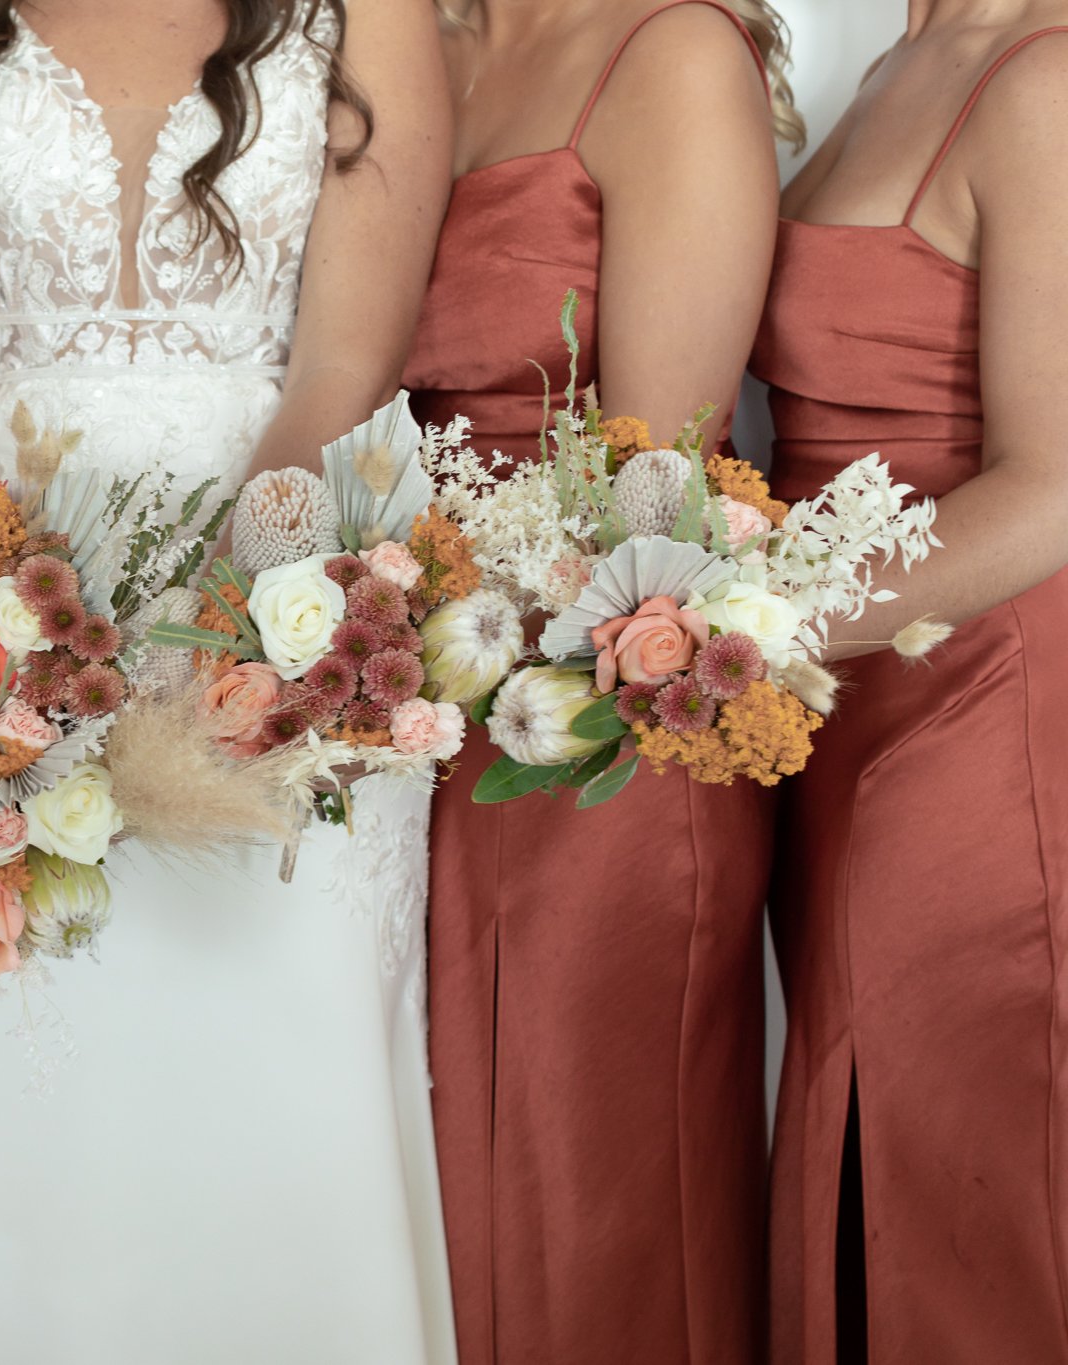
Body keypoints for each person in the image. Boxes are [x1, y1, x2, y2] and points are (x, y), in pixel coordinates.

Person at [0, 1, 456, 1359]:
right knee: (40, 1108)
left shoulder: (366, 17)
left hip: (284, 610)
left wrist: (234, 633)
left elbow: (347, 366)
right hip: (6, 629)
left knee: (283, 1095)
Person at [402, 2, 796, 1359]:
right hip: (411, 726)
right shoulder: (405, 45)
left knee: (582, 1236)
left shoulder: (672, 54)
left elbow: (654, 501)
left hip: (596, 739)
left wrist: (420, 619)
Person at [751, 7, 1068, 1360]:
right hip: (843, 708)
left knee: (955, 1174)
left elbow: (1055, 487)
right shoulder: (896, 57)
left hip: (976, 711)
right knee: (869, 1148)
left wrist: (746, 625)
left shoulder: (1046, 80)